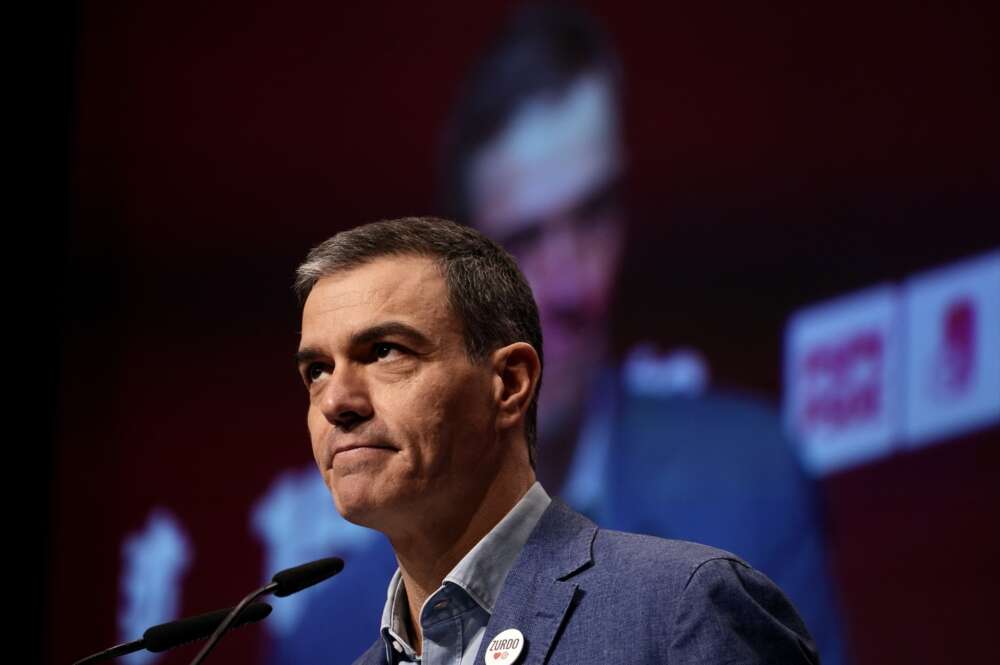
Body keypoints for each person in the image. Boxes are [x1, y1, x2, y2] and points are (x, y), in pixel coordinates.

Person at [263, 5, 846, 664]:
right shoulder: (327, 636)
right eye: (525, 240)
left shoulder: (742, 492)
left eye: (594, 214)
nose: (573, 286)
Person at [293, 216, 818, 665]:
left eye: (385, 351)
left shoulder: (682, 609)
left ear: (509, 384)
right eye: (317, 369)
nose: (336, 401)